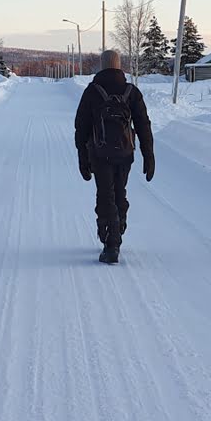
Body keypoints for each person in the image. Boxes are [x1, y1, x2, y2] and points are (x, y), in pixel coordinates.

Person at [74, 49, 155, 264]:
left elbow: (81, 127)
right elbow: (143, 125)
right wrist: (149, 155)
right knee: (120, 191)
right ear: (119, 66)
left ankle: (110, 243)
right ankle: (118, 229)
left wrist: (82, 156)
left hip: (99, 154)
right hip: (125, 153)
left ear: (102, 66)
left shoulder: (92, 91)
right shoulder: (131, 92)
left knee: (105, 194)